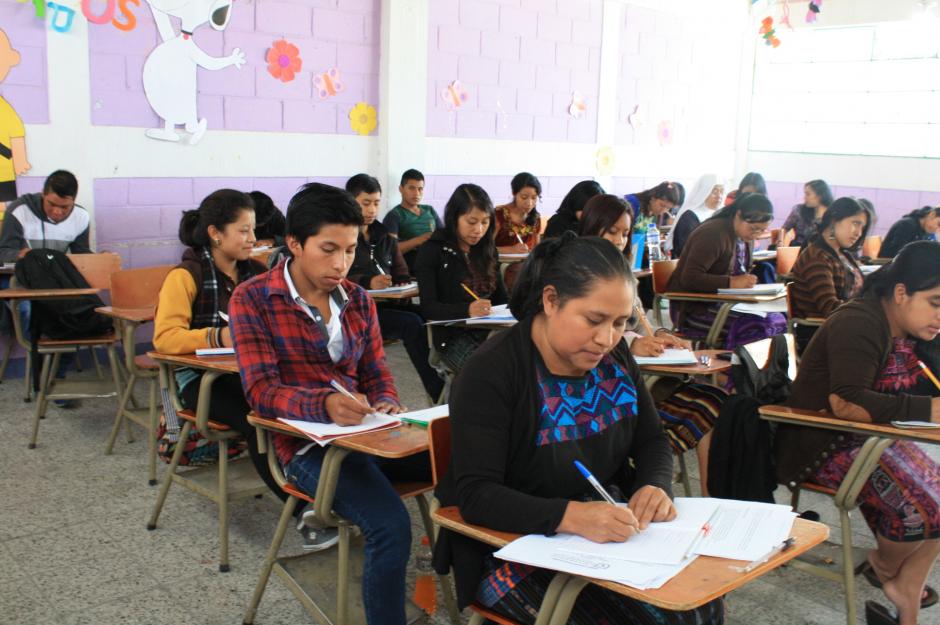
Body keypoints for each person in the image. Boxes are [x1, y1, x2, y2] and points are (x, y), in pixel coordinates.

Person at [432, 233, 723, 625]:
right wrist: (574, 517)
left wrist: (654, 484)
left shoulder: (615, 356)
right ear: (551, 301)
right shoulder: (493, 372)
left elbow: (652, 439)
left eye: (620, 323)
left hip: (607, 532)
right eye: (594, 320)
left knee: (699, 604)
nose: (607, 339)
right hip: (509, 547)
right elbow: (476, 495)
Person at [230, 183, 429, 625]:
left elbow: (377, 372)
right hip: (303, 446)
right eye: (328, 249)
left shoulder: (357, 300)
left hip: (369, 434)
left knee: (465, 465)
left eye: (351, 249)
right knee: (390, 525)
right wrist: (324, 405)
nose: (341, 263)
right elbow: (261, 391)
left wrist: (386, 402)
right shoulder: (254, 298)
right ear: (295, 244)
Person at [775, 241, 940, 625]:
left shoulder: (910, 326)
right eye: (935, 302)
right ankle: (882, 565)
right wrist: (927, 408)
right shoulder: (860, 321)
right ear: (901, 293)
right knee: (925, 511)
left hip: (871, 438)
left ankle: (906, 598)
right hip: (825, 442)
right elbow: (845, 403)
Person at [152, 190, 325, 544]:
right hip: (201, 381)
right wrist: (219, 337)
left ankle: (330, 490)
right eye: (244, 231)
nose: (253, 239)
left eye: (253, 230)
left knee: (308, 400)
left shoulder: (258, 273)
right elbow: (165, 339)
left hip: (253, 372)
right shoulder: (186, 275)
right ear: (216, 233)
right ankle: (303, 513)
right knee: (257, 419)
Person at [580, 195, 728, 493]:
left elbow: (637, 320)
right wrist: (632, 343)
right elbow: (586, 331)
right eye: (611, 232)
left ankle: (708, 495)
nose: (619, 241)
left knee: (713, 400)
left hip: (640, 381)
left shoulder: (622, 271)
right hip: (602, 389)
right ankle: (635, 467)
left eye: (624, 233)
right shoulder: (580, 274)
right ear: (592, 228)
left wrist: (660, 334)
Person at [345, 174, 444, 401]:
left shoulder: (384, 237)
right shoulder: (344, 236)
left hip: (385, 305)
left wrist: (403, 283)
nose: (372, 210)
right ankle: (438, 391)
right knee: (411, 324)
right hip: (356, 312)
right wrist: (368, 282)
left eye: (376, 203)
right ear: (350, 202)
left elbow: (400, 273)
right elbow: (339, 277)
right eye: (366, 203)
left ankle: (448, 372)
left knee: (428, 314)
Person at [666, 193, 787, 349]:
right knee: (757, 327)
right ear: (738, 215)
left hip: (727, 305)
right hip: (695, 310)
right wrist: (732, 282)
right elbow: (689, 278)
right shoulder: (713, 233)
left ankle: (759, 373)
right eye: (753, 229)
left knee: (778, 319)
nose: (755, 235)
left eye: (761, 231)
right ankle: (733, 370)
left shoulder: (743, 237)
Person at [414, 183, 508, 373]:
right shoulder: (433, 251)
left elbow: (501, 300)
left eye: (485, 222)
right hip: (451, 338)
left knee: (522, 365)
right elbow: (428, 307)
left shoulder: (487, 250)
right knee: (489, 374)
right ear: (454, 218)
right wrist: (467, 310)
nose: (479, 230)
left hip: (489, 333)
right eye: (472, 222)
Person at [789, 197, 873, 353]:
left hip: (843, 330)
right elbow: (830, 308)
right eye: (855, 223)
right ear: (834, 220)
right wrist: (869, 314)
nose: (859, 233)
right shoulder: (817, 258)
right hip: (821, 336)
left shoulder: (842, 254)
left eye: (862, 227)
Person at [0, 170, 90, 262]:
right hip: (25, 274)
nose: (57, 212)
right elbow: (3, 253)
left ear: (73, 201)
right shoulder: (18, 211)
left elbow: (82, 255)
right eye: (52, 204)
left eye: (64, 207)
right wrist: (21, 255)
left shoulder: (81, 217)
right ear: (43, 193)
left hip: (58, 274)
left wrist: (101, 258)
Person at [382, 169, 443, 271]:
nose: (417, 193)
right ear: (401, 189)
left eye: (420, 189)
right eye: (412, 188)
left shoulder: (430, 210)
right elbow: (389, 251)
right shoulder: (394, 215)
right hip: (414, 266)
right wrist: (419, 240)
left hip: (438, 262)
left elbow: (444, 236)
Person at [494, 172, 541, 291]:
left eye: (534, 198)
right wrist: (511, 249)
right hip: (501, 265)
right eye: (524, 197)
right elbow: (485, 247)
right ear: (514, 193)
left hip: (528, 265)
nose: (529, 203)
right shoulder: (499, 215)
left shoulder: (535, 218)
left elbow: (537, 248)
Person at [664, 174, 724, 258]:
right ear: (703, 192)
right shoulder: (689, 217)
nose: (719, 196)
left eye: (721, 191)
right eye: (714, 191)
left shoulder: (721, 214)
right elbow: (685, 249)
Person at [781, 179, 833, 248]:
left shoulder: (833, 214)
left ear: (820, 196)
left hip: (821, 252)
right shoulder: (798, 210)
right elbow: (784, 228)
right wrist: (780, 242)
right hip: (798, 250)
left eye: (808, 194)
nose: (804, 197)